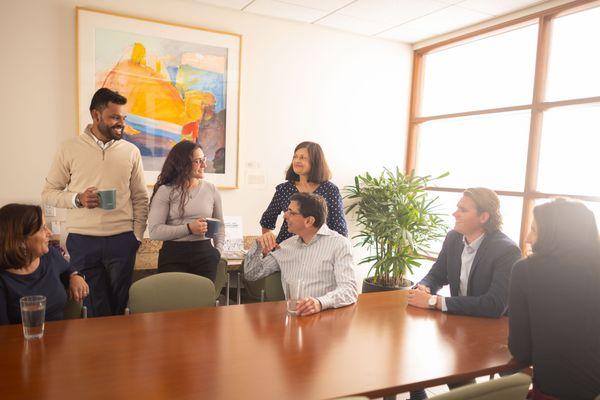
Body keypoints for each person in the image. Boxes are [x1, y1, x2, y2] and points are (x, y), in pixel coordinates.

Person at [42, 88, 149, 317]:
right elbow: (49, 193)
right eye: (115, 117)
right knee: (92, 309)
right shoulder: (69, 148)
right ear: (96, 115)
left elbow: (141, 197)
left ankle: (119, 353)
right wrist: (77, 199)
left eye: (123, 118)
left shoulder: (131, 151)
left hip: (122, 239)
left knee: (120, 307)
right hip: (82, 241)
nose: (121, 123)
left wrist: (136, 235)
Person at [407, 188, 521, 400]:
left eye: (463, 210)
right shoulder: (453, 238)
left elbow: (494, 305)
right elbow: (437, 274)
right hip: (463, 323)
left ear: (483, 217)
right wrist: (425, 287)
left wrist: (434, 301)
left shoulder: (506, 250)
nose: (455, 213)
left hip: (495, 332)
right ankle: (418, 392)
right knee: (417, 345)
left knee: (450, 361)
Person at [509, 199, 600, 400]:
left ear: (553, 235)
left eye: (533, 230)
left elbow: (521, 352)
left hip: (556, 394)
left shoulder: (526, 271)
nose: (527, 238)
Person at [245, 193, 357, 316]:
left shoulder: (339, 244)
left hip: (328, 320)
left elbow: (349, 290)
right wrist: (258, 246)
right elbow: (251, 274)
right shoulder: (286, 246)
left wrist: (320, 303)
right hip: (294, 318)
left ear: (309, 221)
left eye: (291, 213)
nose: (285, 216)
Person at [148, 140, 224, 282]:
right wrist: (189, 228)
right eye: (198, 161)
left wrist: (217, 252)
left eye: (204, 159)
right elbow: (154, 231)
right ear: (183, 163)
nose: (204, 165)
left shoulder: (211, 189)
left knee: (204, 303)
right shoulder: (165, 191)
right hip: (173, 255)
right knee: (174, 304)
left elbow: (220, 226)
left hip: (205, 254)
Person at [0, 204, 88, 325]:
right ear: (20, 241)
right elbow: (3, 334)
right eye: (42, 228)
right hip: (20, 342)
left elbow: (67, 268)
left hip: (60, 339)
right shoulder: (4, 279)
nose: (50, 232)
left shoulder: (50, 256)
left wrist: (75, 276)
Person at [259, 141, 348, 250]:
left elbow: (339, 229)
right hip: (286, 250)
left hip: (319, 251)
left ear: (315, 162)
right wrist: (268, 245)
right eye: (295, 157)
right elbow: (267, 220)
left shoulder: (330, 190)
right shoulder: (284, 189)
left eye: (302, 158)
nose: (297, 161)